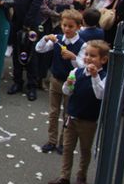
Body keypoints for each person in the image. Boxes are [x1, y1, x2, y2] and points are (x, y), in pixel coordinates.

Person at [48, 40, 109, 184]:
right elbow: (67, 92)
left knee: (85, 149)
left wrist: (95, 76)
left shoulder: (105, 77)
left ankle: (82, 175)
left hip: (89, 120)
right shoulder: (76, 72)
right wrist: (68, 84)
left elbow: (100, 94)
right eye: (87, 54)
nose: (88, 58)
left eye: (93, 56)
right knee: (67, 148)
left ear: (103, 60)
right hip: (72, 116)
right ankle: (64, 176)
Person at [36, 9, 86, 154]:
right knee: (53, 112)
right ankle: (51, 140)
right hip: (56, 80)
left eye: (70, 26)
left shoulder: (81, 45)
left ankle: (64, 142)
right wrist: (45, 39)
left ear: (78, 27)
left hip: (71, 83)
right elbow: (39, 49)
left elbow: (83, 66)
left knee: (68, 113)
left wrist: (73, 57)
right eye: (64, 25)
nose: (66, 29)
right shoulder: (58, 40)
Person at [8, 0, 46, 101]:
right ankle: (17, 81)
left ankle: (32, 85)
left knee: (31, 54)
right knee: (17, 52)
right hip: (17, 19)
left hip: (29, 22)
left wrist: (28, 22)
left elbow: (37, 1)